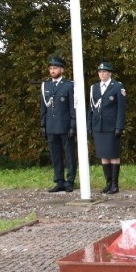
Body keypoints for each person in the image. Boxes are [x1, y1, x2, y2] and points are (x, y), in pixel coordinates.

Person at [88, 61, 127, 194]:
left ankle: (115, 185)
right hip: (98, 126)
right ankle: (108, 183)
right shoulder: (94, 87)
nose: (102, 74)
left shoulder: (117, 86)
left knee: (113, 154)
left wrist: (119, 126)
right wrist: (90, 125)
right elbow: (91, 108)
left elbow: (121, 109)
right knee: (103, 155)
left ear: (110, 73)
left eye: (104, 71)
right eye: (100, 72)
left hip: (111, 126)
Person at [40, 56, 77, 192]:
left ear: (61, 69)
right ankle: (59, 180)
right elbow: (43, 107)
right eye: (50, 68)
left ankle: (70, 181)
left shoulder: (69, 85)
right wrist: (43, 124)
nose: (52, 71)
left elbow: (73, 107)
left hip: (65, 125)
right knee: (55, 154)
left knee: (69, 154)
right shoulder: (46, 86)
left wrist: (73, 125)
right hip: (51, 125)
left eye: (55, 68)